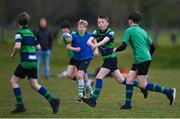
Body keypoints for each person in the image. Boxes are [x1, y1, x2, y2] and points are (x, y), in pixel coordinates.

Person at [115, 11, 176, 109]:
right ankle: (127, 105)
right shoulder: (143, 31)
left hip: (141, 59)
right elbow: (153, 47)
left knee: (143, 85)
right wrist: (149, 57)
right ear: (138, 21)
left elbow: (123, 46)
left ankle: (169, 91)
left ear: (130, 21)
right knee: (129, 80)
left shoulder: (129, 30)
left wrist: (115, 50)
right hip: (142, 58)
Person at [81, 15, 146, 108]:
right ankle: (141, 86)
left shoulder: (111, 32)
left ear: (107, 23)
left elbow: (104, 41)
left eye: (103, 22)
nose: (101, 24)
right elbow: (88, 41)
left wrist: (95, 45)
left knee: (99, 77)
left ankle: (93, 100)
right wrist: (93, 45)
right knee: (121, 80)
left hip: (111, 59)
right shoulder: (96, 32)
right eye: (99, 22)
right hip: (108, 60)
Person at [10, 12, 60, 113]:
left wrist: (13, 54)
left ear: (18, 23)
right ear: (27, 22)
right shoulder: (31, 33)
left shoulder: (19, 34)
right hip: (33, 62)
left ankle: (20, 106)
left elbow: (17, 46)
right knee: (34, 85)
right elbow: (39, 47)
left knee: (14, 81)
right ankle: (53, 101)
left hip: (25, 62)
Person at [64, 19, 94, 102]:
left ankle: (80, 95)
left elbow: (95, 41)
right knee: (85, 78)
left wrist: (95, 50)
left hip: (86, 58)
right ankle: (92, 93)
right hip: (77, 59)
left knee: (79, 76)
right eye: (80, 27)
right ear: (77, 27)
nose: (81, 28)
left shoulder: (89, 35)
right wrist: (75, 49)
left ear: (85, 28)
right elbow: (68, 46)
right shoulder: (73, 36)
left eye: (83, 27)